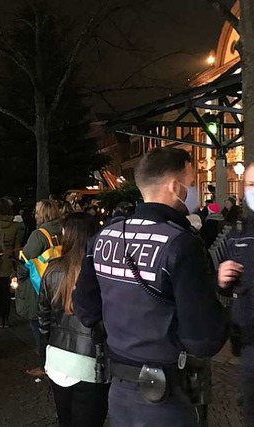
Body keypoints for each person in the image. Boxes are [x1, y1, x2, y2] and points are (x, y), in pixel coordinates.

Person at [73, 147, 228, 426]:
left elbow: (84, 307)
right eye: (191, 184)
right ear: (174, 186)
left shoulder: (104, 236)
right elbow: (203, 338)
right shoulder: (181, 244)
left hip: (119, 389)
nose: (192, 192)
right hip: (167, 395)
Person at [39, 213, 109, 427]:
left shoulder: (52, 268)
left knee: (65, 420)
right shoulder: (103, 270)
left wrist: (45, 353)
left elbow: (43, 318)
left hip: (57, 359)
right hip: (91, 361)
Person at [217, 162, 254, 425]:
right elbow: (228, 287)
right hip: (249, 342)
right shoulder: (239, 233)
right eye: (251, 185)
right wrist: (222, 280)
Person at [16, 200, 62, 377]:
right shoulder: (63, 229)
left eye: (36, 211)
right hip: (59, 282)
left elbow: (25, 261)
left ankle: (45, 364)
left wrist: (19, 279)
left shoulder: (39, 234)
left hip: (39, 285)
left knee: (39, 325)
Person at [0, 198, 24, 328]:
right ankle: (6, 318)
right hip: (9, 261)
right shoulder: (15, 226)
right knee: (6, 292)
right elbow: (18, 247)